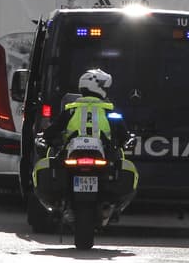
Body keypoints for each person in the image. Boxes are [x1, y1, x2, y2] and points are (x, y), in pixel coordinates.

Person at [33, 68, 138, 214]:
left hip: (72, 157)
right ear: (99, 88)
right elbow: (123, 133)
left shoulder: (70, 110)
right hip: (103, 158)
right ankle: (107, 205)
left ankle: (64, 203)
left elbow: (54, 130)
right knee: (117, 163)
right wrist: (127, 140)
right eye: (105, 88)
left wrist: (44, 139)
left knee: (55, 162)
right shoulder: (110, 111)